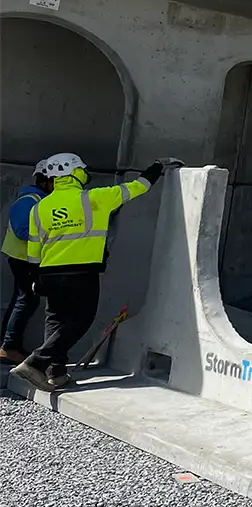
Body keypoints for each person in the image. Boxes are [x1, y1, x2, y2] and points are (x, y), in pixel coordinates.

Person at [9, 153, 173, 392]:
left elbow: (34, 247)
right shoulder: (95, 198)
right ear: (74, 172)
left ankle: (56, 373)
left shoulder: (39, 208)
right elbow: (138, 187)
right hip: (81, 272)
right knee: (80, 319)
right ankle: (36, 362)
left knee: (56, 320)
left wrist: (35, 276)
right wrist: (157, 166)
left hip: (48, 272)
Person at [0, 160, 52, 364]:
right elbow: (23, 230)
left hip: (24, 258)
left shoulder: (36, 199)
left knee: (21, 299)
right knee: (26, 300)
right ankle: (9, 346)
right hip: (24, 258)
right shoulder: (30, 200)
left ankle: (9, 344)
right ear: (45, 181)